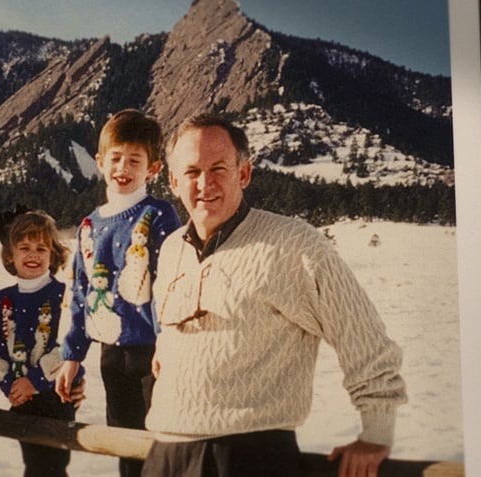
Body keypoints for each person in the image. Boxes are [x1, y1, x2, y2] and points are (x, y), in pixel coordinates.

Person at [143, 114, 408, 477]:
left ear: (244, 173)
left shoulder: (294, 244)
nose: (205, 183)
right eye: (191, 172)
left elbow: (363, 337)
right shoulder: (172, 249)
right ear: (173, 181)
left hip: (250, 457)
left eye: (219, 168)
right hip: (165, 455)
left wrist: (376, 432)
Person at [55, 109, 181, 477]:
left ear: (153, 169)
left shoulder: (158, 216)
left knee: (162, 444)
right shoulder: (90, 225)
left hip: (153, 352)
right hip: (111, 355)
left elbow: (169, 285)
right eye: (116, 158)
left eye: (135, 160)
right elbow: (81, 293)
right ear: (99, 161)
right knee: (124, 443)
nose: (123, 167)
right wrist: (72, 355)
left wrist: (168, 344)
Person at [0, 209, 85, 477]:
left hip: (56, 397)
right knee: (33, 465)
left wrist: (37, 381)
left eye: (41, 248)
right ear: (10, 255)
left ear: (53, 255)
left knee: (51, 467)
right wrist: (11, 387)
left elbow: (69, 345)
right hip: (21, 399)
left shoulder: (63, 296)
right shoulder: (1, 301)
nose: (33, 255)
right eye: (24, 247)